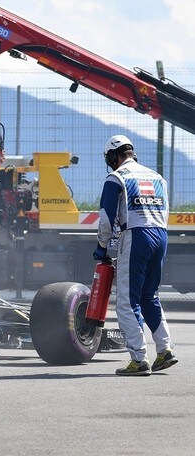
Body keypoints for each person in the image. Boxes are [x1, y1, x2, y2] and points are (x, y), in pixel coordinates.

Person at [95, 134, 176, 376]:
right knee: (150, 296)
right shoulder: (157, 177)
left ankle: (139, 359)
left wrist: (101, 247)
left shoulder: (116, 177)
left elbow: (107, 219)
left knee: (127, 302)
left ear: (113, 157)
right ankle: (165, 350)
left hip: (136, 237)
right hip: (160, 235)